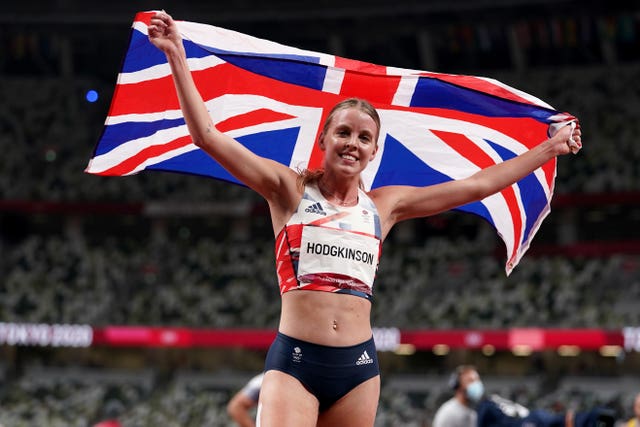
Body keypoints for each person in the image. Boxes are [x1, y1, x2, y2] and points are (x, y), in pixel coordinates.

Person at [148, 10, 581, 427]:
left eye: (364, 137)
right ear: (324, 139)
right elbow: (206, 135)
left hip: (357, 368)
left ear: (375, 151)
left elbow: (475, 187)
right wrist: (176, 55)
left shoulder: (384, 206)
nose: (352, 143)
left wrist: (548, 150)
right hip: (295, 361)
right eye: (343, 132)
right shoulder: (287, 189)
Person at [432, 366, 615, 427]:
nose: (476, 383)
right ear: (457, 386)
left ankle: (595, 418)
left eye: (477, 379)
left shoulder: (483, 407)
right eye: (470, 380)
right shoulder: (448, 412)